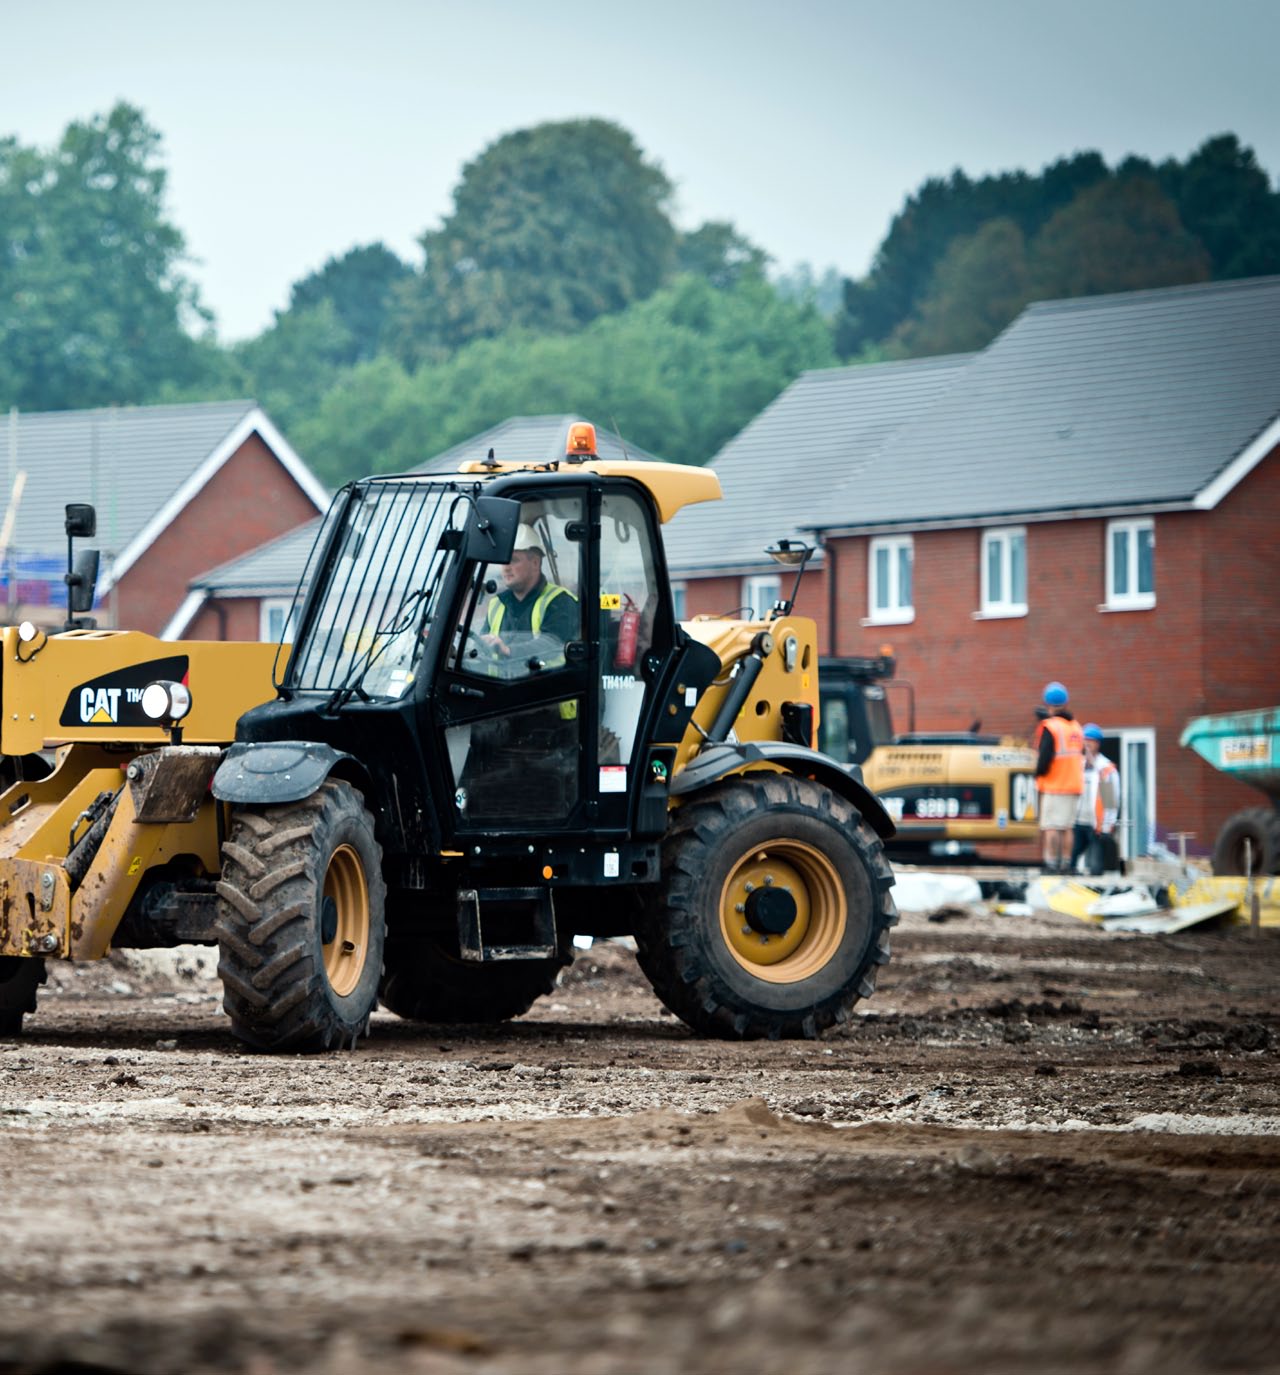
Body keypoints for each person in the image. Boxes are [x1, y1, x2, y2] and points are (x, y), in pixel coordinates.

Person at [481, 525, 579, 666]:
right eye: (504, 560)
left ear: (535, 563)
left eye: (514, 560)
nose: (506, 567)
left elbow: (552, 643)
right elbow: (482, 644)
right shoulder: (496, 604)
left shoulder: (560, 600)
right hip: (498, 685)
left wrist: (508, 650)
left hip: (544, 686)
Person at [1034, 681, 1084, 873]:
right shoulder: (1076, 727)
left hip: (1055, 784)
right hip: (1074, 784)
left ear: (1047, 702)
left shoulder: (1051, 726)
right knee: (1067, 827)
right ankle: (1066, 864)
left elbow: (1045, 757)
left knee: (1052, 827)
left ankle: (1051, 864)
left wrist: (1036, 772)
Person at [1071, 724, 1120, 874]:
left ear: (1098, 744)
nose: (1086, 744)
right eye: (1084, 740)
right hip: (1076, 822)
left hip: (1096, 826)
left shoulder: (1105, 769)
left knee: (1095, 865)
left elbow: (1111, 801)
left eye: (1090, 741)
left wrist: (1107, 826)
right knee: (1070, 861)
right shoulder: (1075, 765)